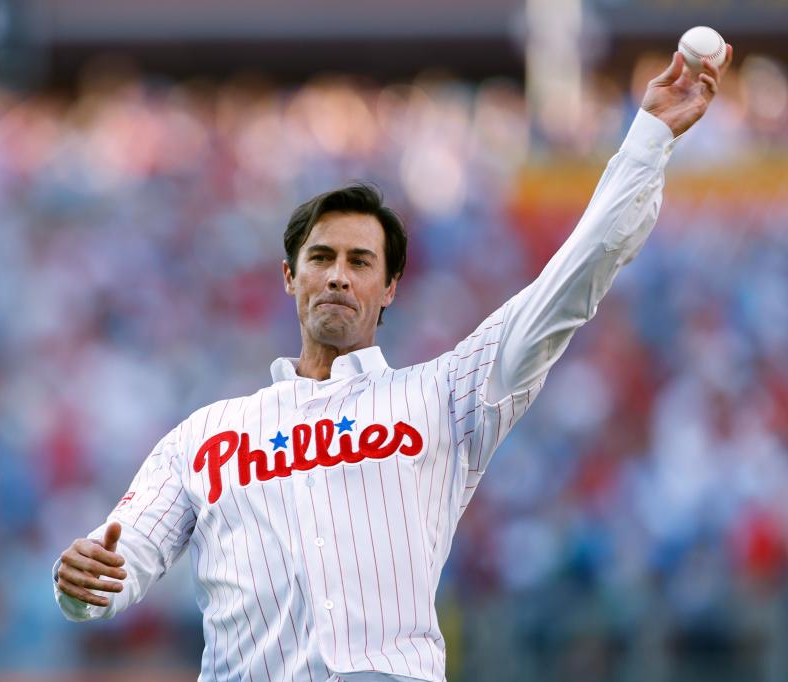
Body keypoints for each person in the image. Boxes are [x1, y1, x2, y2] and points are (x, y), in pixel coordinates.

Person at [53, 49, 733, 682]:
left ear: (390, 286)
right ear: (289, 278)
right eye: (321, 259)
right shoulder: (203, 435)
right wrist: (80, 584)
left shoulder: (443, 396)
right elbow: (114, 567)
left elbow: (575, 277)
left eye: (360, 262)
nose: (339, 277)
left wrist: (648, 137)